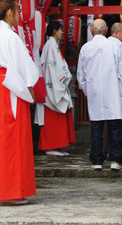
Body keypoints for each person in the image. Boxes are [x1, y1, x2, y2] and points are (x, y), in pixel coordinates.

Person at [0, 0, 39, 206]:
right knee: (12, 138)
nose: (19, 14)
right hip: (10, 87)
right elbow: (24, 67)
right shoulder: (10, 36)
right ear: (11, 12)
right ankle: (10, 192)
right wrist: (29, 86)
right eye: (17, 10)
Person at [77, 18, 122, 170]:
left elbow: (81, 75)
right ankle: (116, 160)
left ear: (91, 31)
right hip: (112, 90)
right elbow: (121, 73)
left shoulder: (86, 48)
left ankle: (97, 160)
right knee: (114, 127)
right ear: (106, 31)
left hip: (94, 91)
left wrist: (88, 91)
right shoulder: (114, 46)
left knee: (97, 127)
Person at [35, 21, 76, 156]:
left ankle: (55, 146)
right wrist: (65, 76)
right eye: (60, 30)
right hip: (52, 86)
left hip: (51, 85)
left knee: (55, 117)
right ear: (54, 31)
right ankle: (51, 146)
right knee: (53, 117)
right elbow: (55, 68)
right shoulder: (51, 46)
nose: (62, 32)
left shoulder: (51, 45)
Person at [103, 22, 122, 157]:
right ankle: (116, 153)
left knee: (106, 122)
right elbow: (120, 71)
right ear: (116, 32)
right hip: (116, 87)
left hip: (104, 88)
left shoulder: (104, 44)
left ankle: (104, 150)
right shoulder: (118, 46)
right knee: (118, 123)